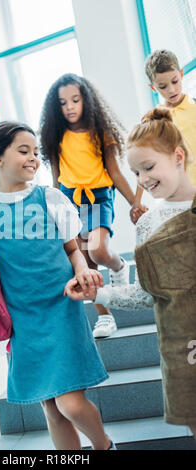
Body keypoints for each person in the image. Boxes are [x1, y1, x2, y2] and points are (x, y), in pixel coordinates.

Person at [0, 121, 116, 451]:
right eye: (23, 150)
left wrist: (81, 271)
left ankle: (104, 446)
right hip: (22, 317)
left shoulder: (50, 197)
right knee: (52, 408)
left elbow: (72, 248)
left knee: (70, 404)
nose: (33, 158)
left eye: (35, 152)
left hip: (60, 306)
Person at [64, 108, 196, 438]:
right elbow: (145, 293)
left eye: (148, 167)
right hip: (182, 355)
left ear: (178, 156)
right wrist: (97, 294)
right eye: (135, 172)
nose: (142, 180)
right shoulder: (148, 223)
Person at [39, 73, 147, 339]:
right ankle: (105, 317)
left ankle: (120, 266)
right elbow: (55, 180)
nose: (70, 107)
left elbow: (115, 173)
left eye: (75, 100)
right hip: (68, 201)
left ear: (86, 100)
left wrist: (135, 202)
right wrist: (53, 213)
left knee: (98, 251)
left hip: (98, 197)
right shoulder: (55, 136)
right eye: (63, 103)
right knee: (84, 262)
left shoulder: (101, 132)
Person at [133, 49, 196, 219]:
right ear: (153, 87)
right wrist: (137, 201)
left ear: (181, 74)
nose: (171, 89)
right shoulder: (154, 122)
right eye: (163, 86)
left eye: (175, 81)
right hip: (179, 199)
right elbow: (143, 163)